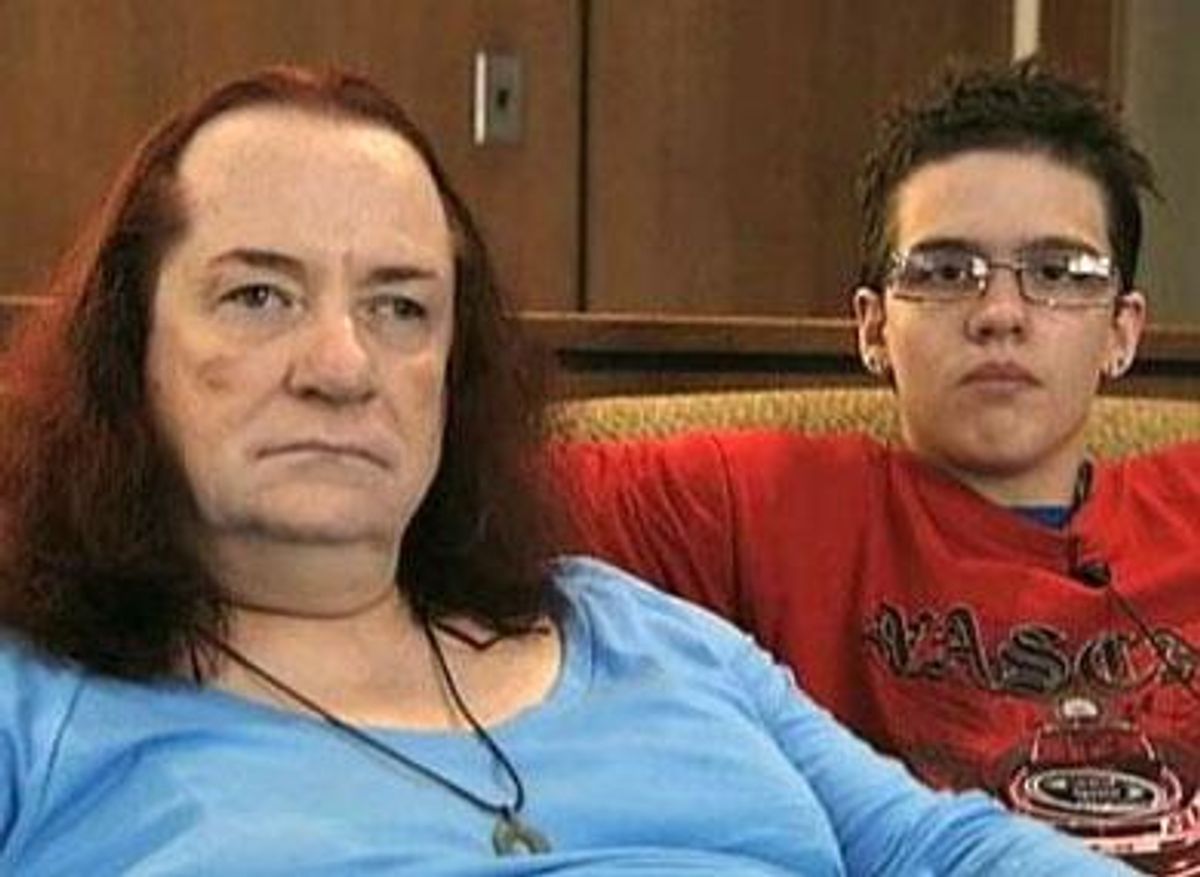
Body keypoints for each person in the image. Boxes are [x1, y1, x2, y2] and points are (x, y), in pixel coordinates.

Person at [0, 65, 1130, 875]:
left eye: (401, 307)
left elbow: (944, 848)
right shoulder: (34, 697)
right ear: (127, 347)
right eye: (260, 295)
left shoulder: (630, 627)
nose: (342, 366)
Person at [555, 61, 1200, 874]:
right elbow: (461, 485)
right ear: (871, 328)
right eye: (944, 272)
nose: (1001, 314)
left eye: (1058, 273)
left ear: (1122, 332)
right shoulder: (765, 502)